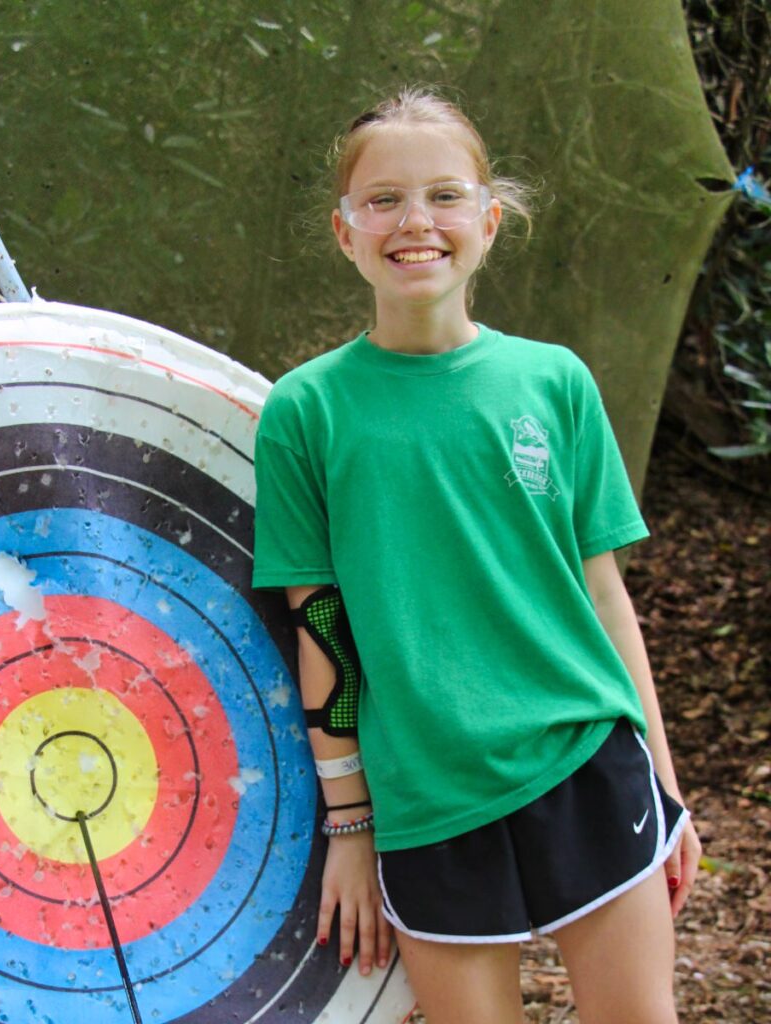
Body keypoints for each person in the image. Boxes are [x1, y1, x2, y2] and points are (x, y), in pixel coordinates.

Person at [251, 86, 702, 1024]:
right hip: (426, 801)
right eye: (383, 200)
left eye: (445, 195)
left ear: (490, 222)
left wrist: (664, 783)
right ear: (344, 232)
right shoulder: (306, 411)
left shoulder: (555, 381)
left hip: (586, 765)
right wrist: (350, 827)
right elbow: (320, 621)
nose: (416, 222)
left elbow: (603, 596)